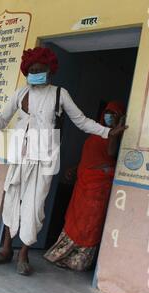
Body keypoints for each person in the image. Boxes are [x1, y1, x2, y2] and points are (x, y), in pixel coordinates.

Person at [0, 48, 128, 275]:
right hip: (19, 156)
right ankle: (6, 250)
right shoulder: (20, 94)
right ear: (27, 71)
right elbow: (1, 120)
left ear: (50, 71)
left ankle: (24, 255)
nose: (36, 73)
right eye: (32, 70)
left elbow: (82, 121)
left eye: (40, 70)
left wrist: (107, 132)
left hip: (44, 159)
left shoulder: (59, 94)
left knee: (35, 208)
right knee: (11, 201)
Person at [44, 101, 126, 271]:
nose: (108, 115)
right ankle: (61, 255)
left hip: (98, 187)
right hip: (83, 183)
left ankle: (78, 261)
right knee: (76, 218)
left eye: (113, 113)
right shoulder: (97, 130)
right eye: (107, 112)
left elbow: (110, 153)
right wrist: (75, 168)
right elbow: (90, 157)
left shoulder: (114, 135)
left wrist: (115, 132)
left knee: (89, 223)